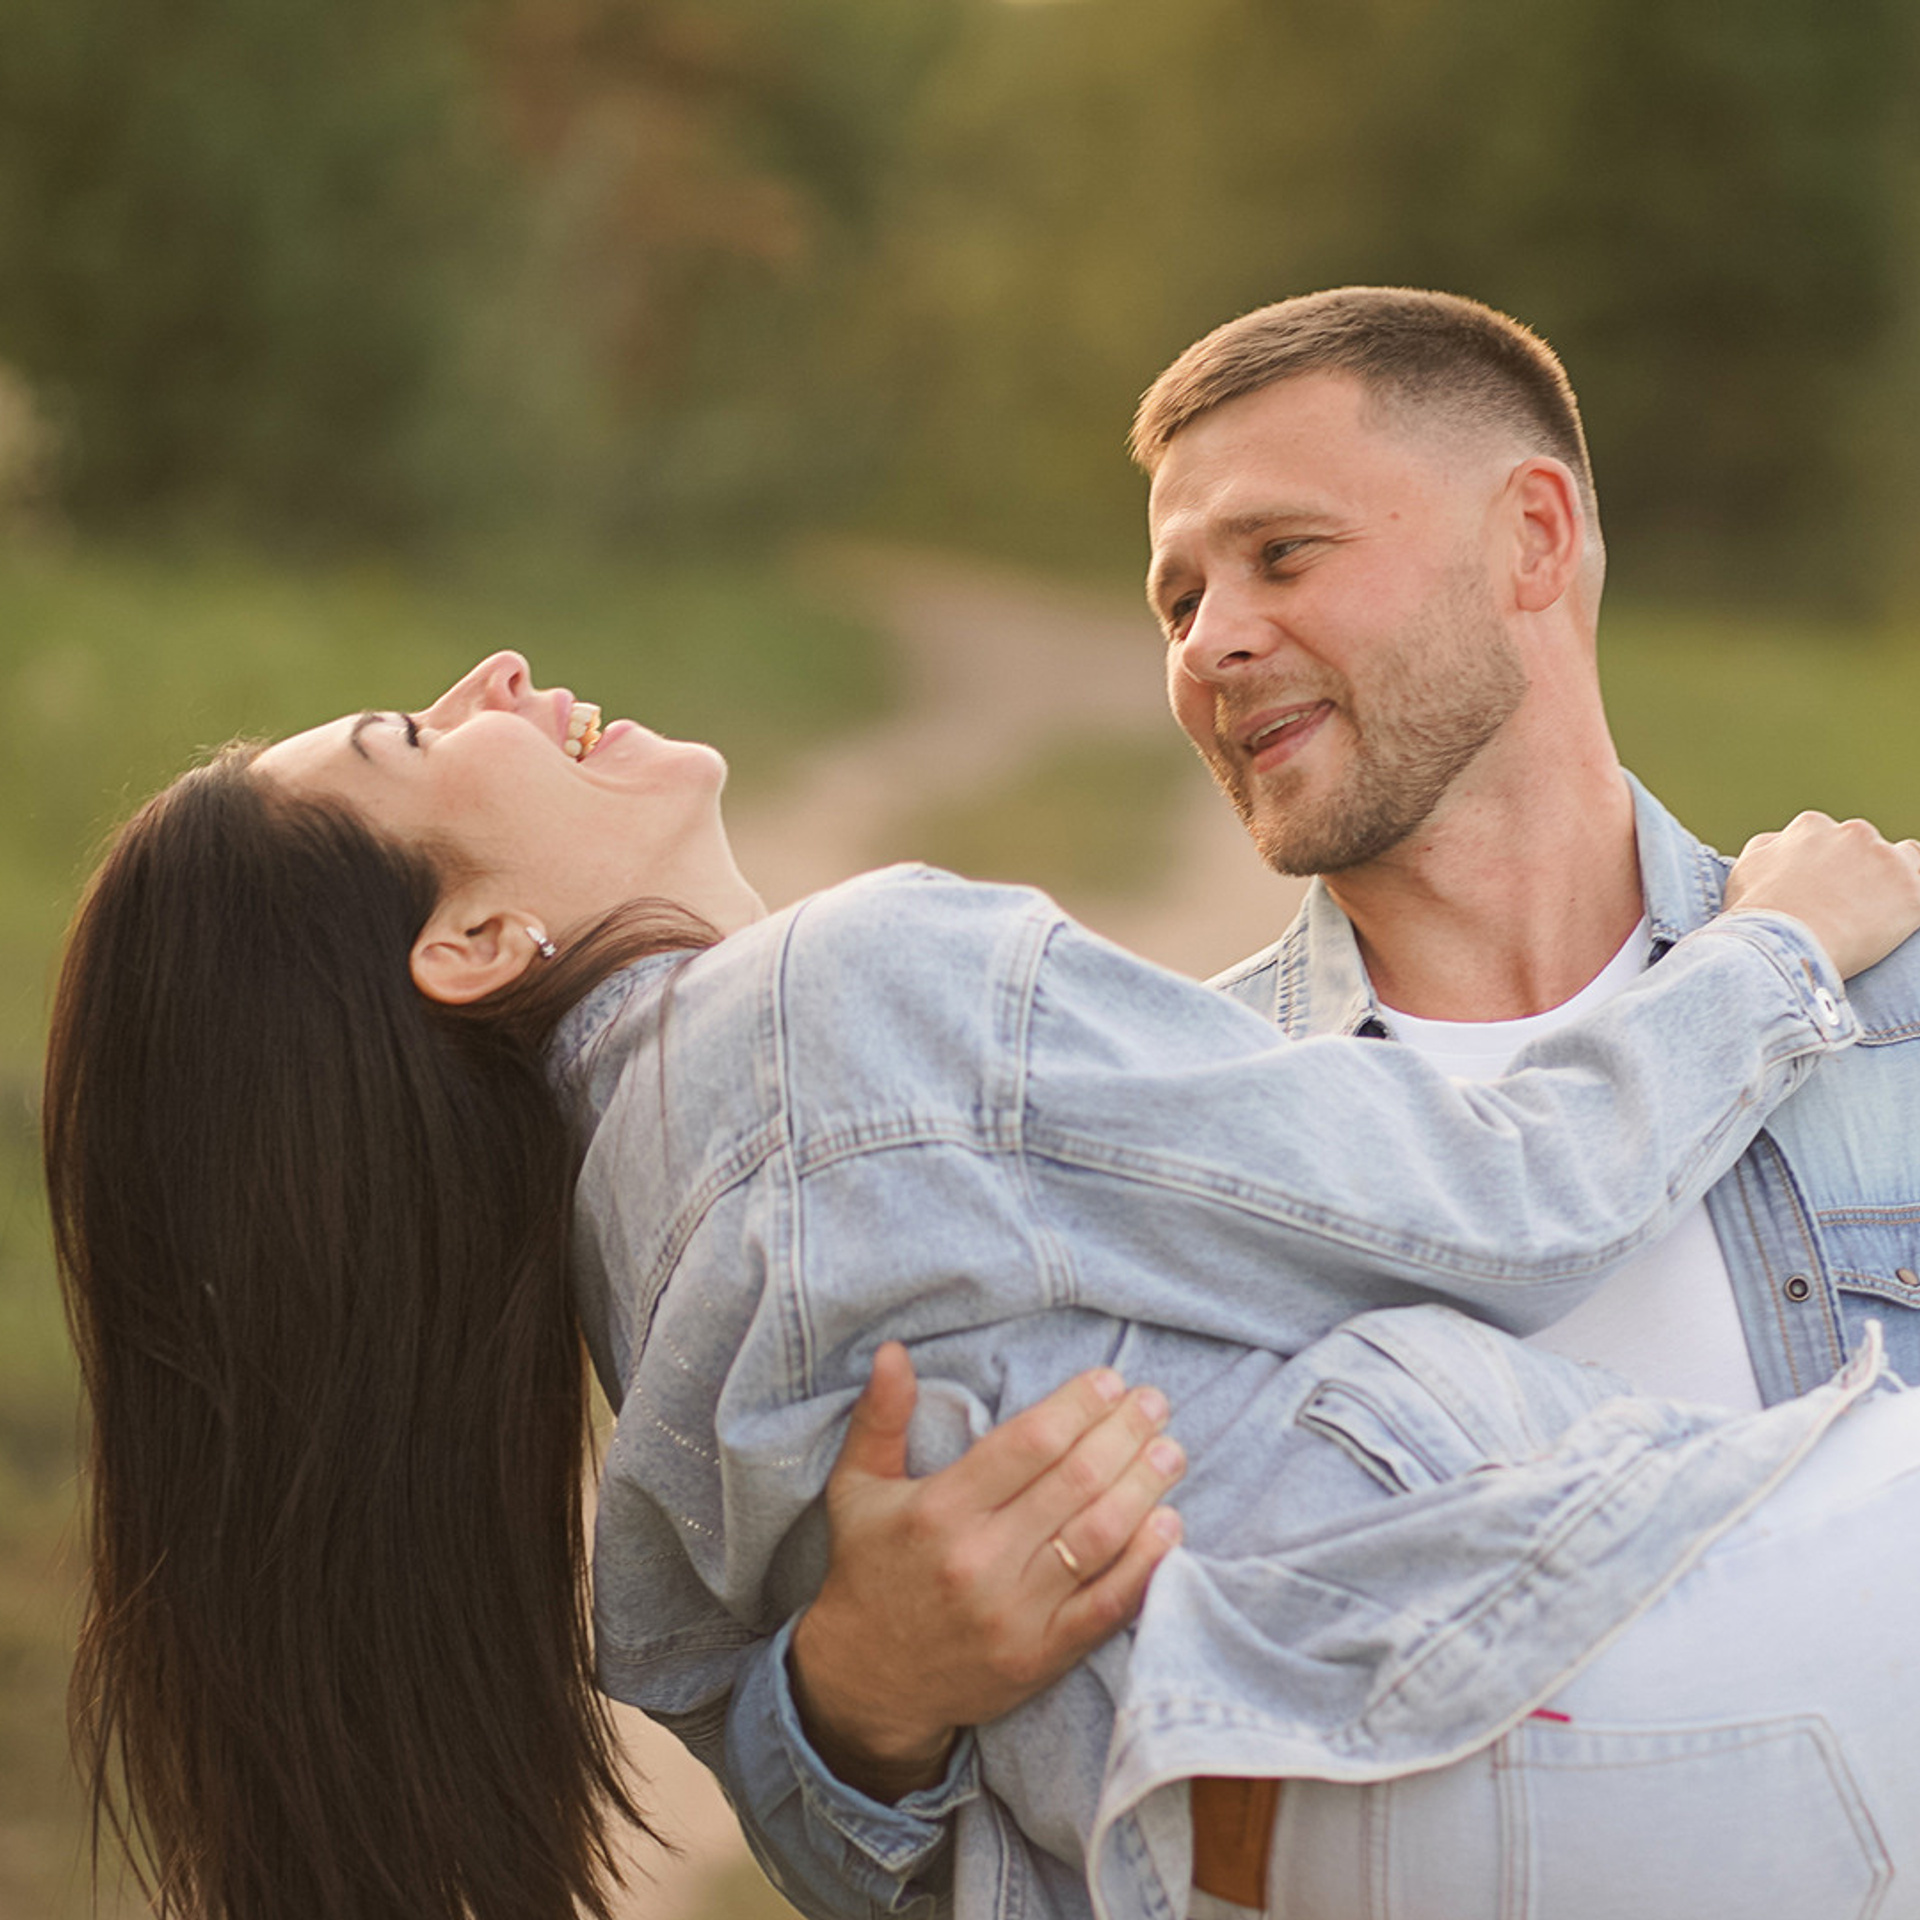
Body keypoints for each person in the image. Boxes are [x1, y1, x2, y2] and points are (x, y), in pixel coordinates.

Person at [43, 650, 1920, 1920]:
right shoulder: (829, 1005)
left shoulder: (644, 1339)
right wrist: (1777, 944)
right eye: (420, 740)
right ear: (473, 942)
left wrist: (851, 1709)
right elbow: (1501, 1195)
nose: (500, 684)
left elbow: (873, 1849)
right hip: (1567, 1691)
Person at [724, 289, 1920, 1916]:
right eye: (1177, 599)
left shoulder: (1893, 1016)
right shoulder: (1137, 1140)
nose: (1210, 641)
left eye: (1282, 556)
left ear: (1532, 540)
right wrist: (860, 1703)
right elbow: (977, 1851)